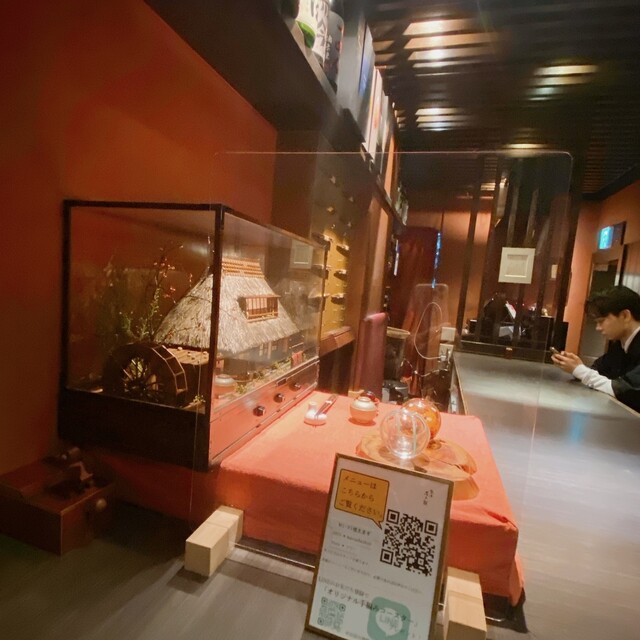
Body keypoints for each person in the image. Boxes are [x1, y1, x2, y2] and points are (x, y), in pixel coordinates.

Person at [552, 285, 640, 413]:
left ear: (625, 316)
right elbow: (599, 369)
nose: (598, 328)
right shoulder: (620, 345)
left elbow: (624, 390)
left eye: (601, 321)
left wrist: (579, 370)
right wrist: (575, 366)